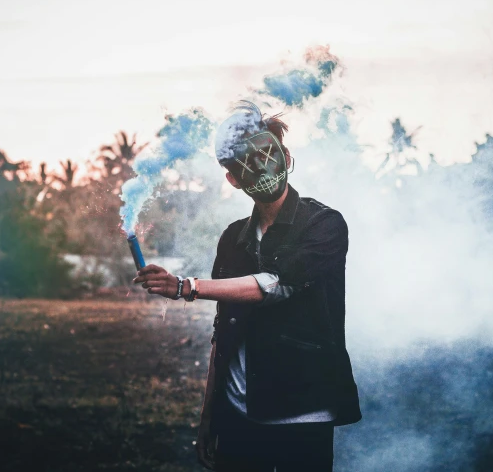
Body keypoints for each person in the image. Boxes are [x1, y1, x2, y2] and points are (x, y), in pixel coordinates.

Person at [134, 100, 361, 471]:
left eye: (267, 154)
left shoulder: (325, 224)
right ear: (232, 179)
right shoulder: (232, 238)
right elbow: (224, 331)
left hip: (303, 416)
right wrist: (210, 415)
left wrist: (185, 287)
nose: (262, 167)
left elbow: (274, 285)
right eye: (246, 163)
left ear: (285, 155)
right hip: (238, 414)